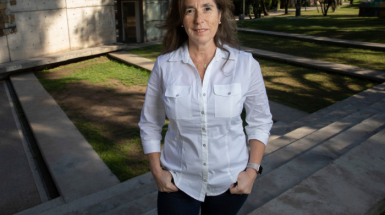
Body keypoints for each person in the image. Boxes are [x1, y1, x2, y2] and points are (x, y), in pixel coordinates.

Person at [138, 0, 273, 214]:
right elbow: (149, 124)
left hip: (229, 183)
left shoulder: (246, 65)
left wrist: (252, 171)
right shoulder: (164, 66)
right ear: (181, 20)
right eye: (190, 10)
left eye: (207, 8)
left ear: (220, 16)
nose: (199, 19)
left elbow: (260, 121)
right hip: (178, 182)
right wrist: (157, 171)